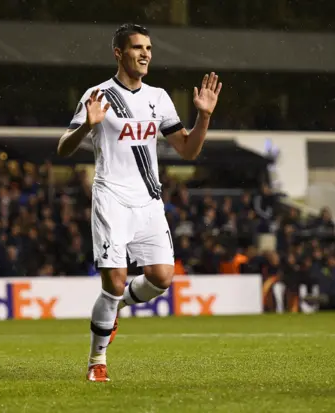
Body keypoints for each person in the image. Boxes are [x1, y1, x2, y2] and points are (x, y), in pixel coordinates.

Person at [57, 23, 222, 382]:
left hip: (148, 200)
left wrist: (204, 117)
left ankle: (117, 309)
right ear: (119, 53)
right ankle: (96, 360)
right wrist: (87, 126)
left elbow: (188, 150)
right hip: (111, 197)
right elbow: (63, 147)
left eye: (148, 48)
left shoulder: (159, 97)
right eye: (137, 48)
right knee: (114, 281)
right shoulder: (98, 94)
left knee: (162, 277)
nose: (145, 53)